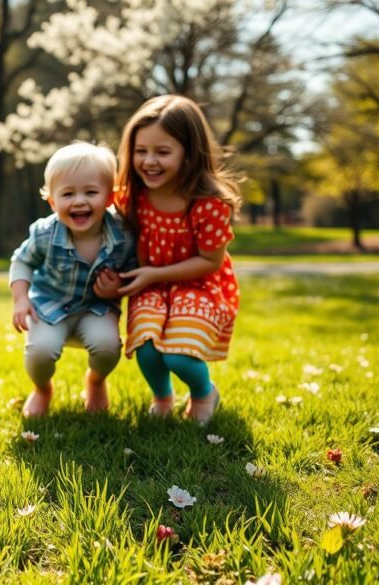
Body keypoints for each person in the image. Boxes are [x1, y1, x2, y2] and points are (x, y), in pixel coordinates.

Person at [115, 95, 242, 426]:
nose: (149, 161)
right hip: (148, 284)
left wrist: (155, 274)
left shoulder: (210, 203)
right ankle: (162, 396)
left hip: (198, 284)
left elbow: (211, 261)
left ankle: (203, 393)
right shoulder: (132, 195)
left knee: (179, 355)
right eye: (141, 151)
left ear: (189, 152)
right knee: (147, 349)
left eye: (163, 152)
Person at [9, 142, 136, 418]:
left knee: (108, 346)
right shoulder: (45, 233)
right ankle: (42, 389)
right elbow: (22, 261)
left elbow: (133, 271)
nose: (79, 201)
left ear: (110, 197)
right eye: (68, 194)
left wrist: (118, 287)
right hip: (49, 305)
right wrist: (21, 300)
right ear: (53, 202)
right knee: (39, 352)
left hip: (97, 308)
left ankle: (96, 381)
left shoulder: (123, 234)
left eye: (91, 192)